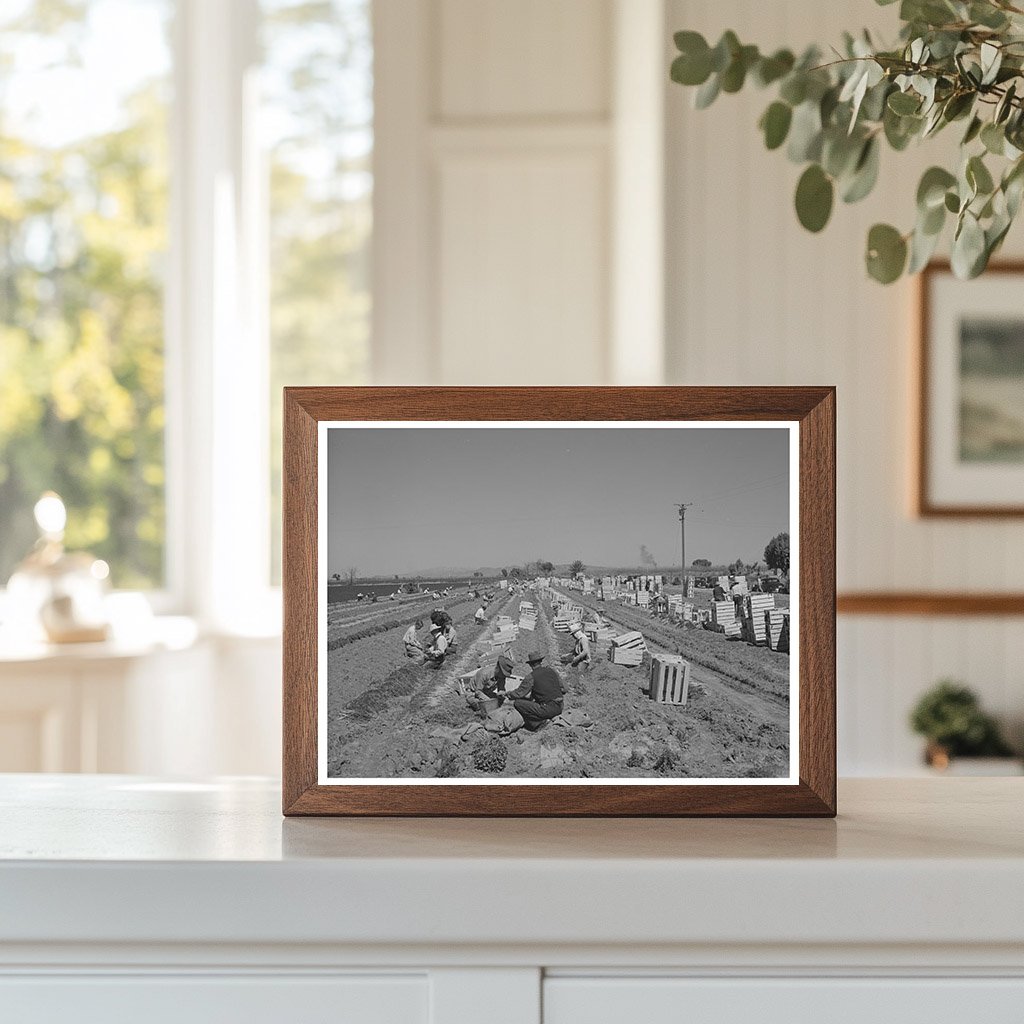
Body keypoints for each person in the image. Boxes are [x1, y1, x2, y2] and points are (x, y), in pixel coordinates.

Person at [506, 650, 565, 731]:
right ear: (540, 661)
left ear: (531, 664)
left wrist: (508, 694)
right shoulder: (552, 671)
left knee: (518, 703)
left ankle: (539, 723)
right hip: (560, 706)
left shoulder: (531, 677)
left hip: (548, 709)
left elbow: (519, 694)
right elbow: (564, 689)